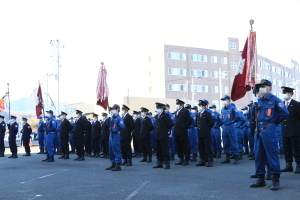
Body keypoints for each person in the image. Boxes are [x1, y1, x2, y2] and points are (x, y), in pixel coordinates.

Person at [250, 79, 289, 190]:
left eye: (264, 86)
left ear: (270, 88)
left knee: (272, 155)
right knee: (258, 155)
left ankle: (275, 179)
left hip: (269, 128)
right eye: (260, 86)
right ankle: (260, 179)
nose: (262, 88)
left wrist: (274, 122)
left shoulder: (276, 100)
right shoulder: (259, 100)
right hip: (259, 129)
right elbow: (255, 114)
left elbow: (285, 113)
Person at [280, 86, 300, 173]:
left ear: (291, 94)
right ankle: (289, 165)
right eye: (283, 93)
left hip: (295, 131)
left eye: (286, 93)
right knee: (286, 149)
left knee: (296, 149)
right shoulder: (281, 104)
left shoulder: (296, 104)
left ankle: (298, 165)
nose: (284, 95)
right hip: (284, 131)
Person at [220, 95, 242, 165]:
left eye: (225, 100)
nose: (223, 101)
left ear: (228, 100)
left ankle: (236, 157)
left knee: (234, 142)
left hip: (231, 126)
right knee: (225, 142)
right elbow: (222, 118)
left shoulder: (233, 108)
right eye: (223, 100)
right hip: (225, 127)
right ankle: (227, 158)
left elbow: (238, 117)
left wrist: (232, 121)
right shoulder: (223, 109)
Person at [153, 102, 173, 169]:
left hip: (163, 135)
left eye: (159, 108)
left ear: (162, 108)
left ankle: (167, 163)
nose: (158, 109)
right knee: (158, 150)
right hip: (157, 135)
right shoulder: (156, 116)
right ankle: (159, 163)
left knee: (165, 150)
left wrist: (166, 130)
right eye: (157, 108)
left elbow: (170, 124)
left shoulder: (165, 115)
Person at [106, 104, 125, 171]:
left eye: (113, 109)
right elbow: (107, 125)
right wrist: (108, 118)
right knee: (111, 149)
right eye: (112, 109)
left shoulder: (119, 118)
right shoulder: (112, 117)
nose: (112, 110)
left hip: (116, 134)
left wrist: (117, 129)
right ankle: (113, 163)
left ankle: (118, 164)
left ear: (117, 110)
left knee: (116, 149)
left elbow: (122, 127)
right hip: (111, 134)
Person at [195, 100, 215, 167]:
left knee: (208, 147)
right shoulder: (198, 114)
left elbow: (211, 123)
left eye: (201, 106)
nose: (200, 107)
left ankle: (210, 160)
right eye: (199, 106)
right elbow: (197, 123)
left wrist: (206, 128)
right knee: (201, 147)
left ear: (204, 106)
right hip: (200, 133)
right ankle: (202, 160)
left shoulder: (207, 114)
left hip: (206, 133)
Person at [174, 99, 192, 166]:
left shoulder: (185, 111)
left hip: (182, 131)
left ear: (181, 105)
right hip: (176, 131)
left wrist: (186, 126)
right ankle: (181, 158)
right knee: (178, 146)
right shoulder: (176, 111)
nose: (177, 106)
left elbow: (189, 120)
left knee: (184, 146)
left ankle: (187, 159)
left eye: (178, 104)